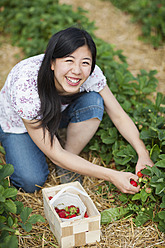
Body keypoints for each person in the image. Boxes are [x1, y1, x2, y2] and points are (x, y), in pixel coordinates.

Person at [0, 27, 154, 193]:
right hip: (18, 125)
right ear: (52, 62)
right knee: (31, 181)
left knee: (94, 101)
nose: (77, 70)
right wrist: (112, 175)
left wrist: (143, 153)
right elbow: (55, 153)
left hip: (55, 111)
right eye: (69, 60)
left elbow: (118, 115)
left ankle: (69, 160)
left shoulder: (91, 74)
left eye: (85, 62)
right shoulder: (27, 87)